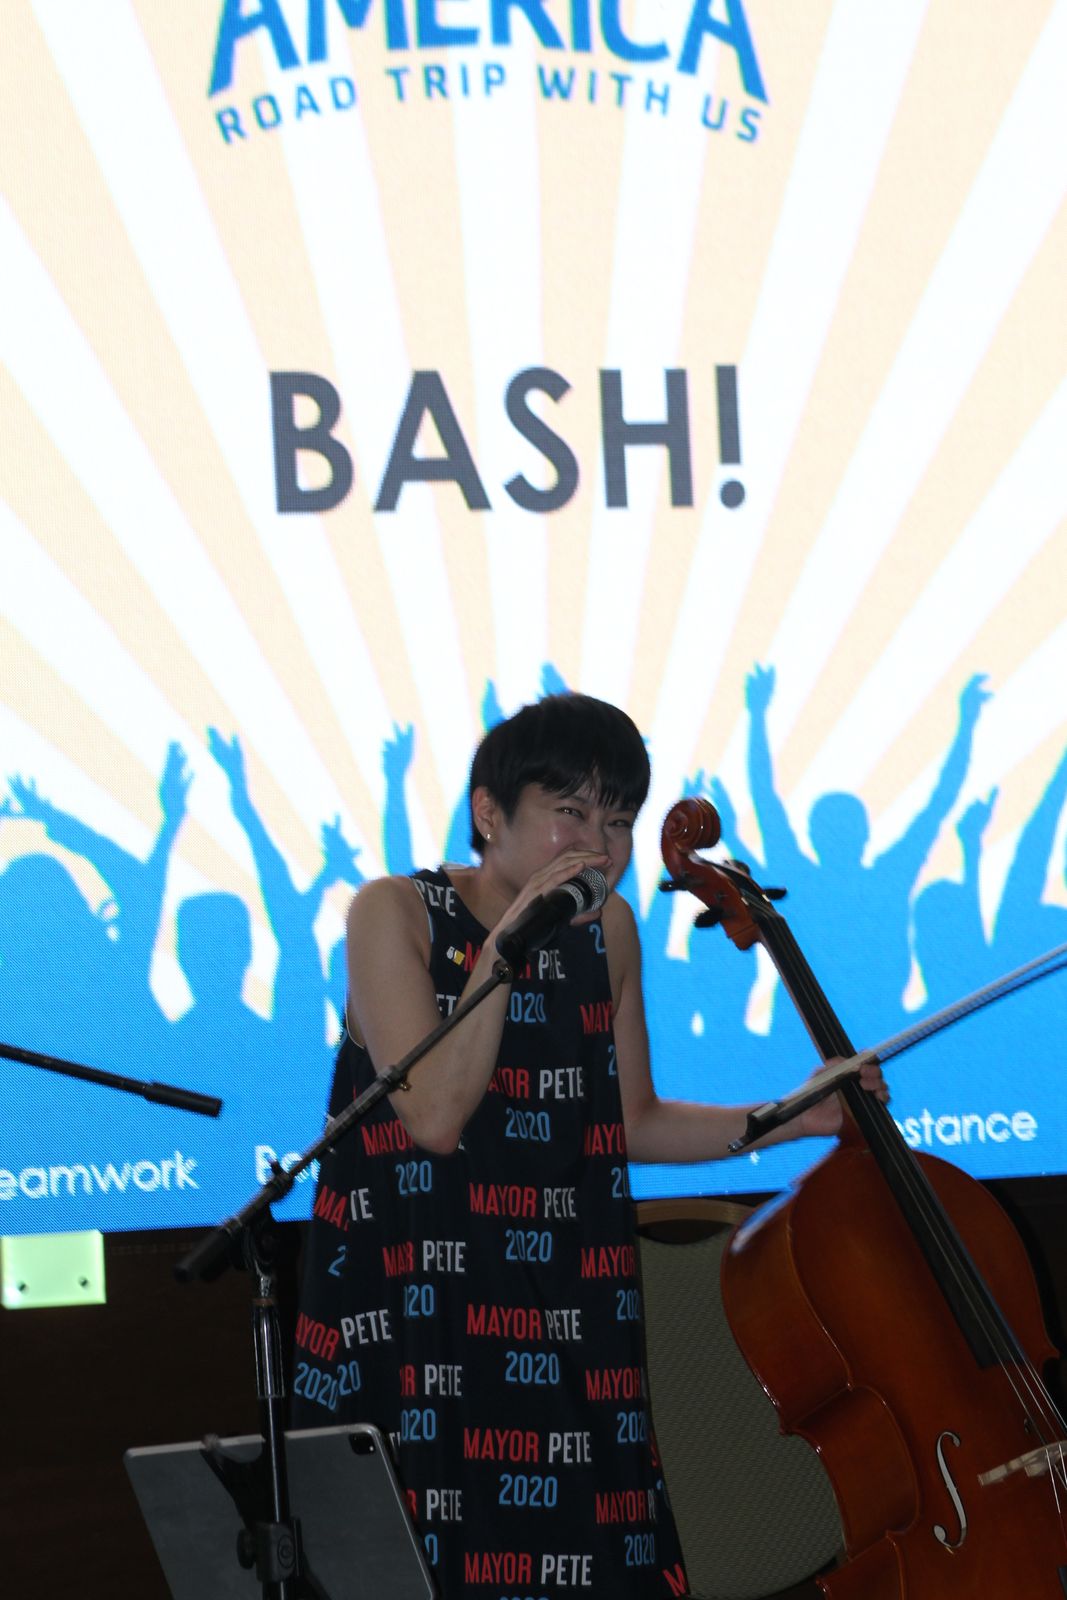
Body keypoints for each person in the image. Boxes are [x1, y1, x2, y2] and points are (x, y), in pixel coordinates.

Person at [292, 694, 885, 1599]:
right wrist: (505, 950)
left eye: (617, 822)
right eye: (568, 812)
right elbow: (435, 1117)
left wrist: (792, 1116)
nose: (598, 848)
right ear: (489, 814)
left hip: (560, 1304)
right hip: (414, 1309)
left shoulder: (606, 931)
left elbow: (631, 1121)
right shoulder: (395, 912)